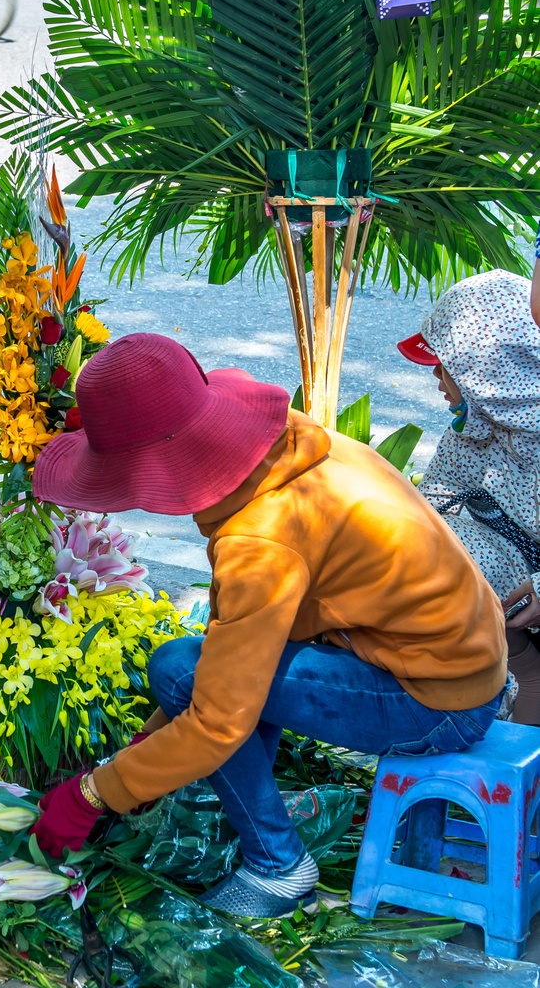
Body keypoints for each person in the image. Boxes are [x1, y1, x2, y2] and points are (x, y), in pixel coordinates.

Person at [27, 333, 506, 919]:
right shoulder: (287, 449)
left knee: (179, 672)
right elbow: (259, 644)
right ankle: (250, 819)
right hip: (460, 663)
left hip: (436, 703)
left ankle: (278, 867)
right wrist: (149, 745)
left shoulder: (259, 541)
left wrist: (92, 794)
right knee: (195, 673)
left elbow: (218, 717)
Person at [396, 270, 540, 721]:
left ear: (485, 375)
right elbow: (437, 493)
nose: (437, 376)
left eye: (446, 365)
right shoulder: (470, 430)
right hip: (511, 587)